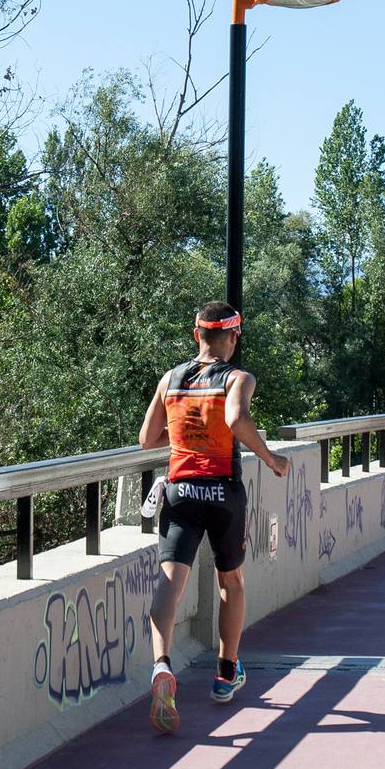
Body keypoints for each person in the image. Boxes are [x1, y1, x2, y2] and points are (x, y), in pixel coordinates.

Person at [135, 302, 290, 735]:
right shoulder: (238, 377)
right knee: (232, 582)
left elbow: (147, 438)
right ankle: (225, 673)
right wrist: (272, 459)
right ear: (234, 337)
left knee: (170, 581)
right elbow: (236, 418)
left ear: (195, 334)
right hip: (223, 491)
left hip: (181, 491)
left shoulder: (171, 379)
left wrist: (184, 432)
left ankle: (162, 665)